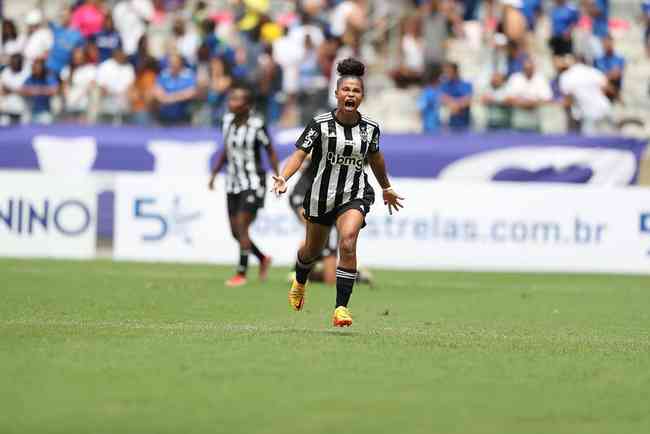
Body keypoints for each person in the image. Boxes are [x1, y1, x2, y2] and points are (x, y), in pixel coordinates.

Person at [271, 58, 404, 327]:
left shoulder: (370, 128)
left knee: (348, 240)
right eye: (346, 90)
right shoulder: (320, 124)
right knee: (311, 251)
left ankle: (341, 308)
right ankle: (300, 280)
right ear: (337, 94)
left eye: (356, 91)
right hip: (321, 196)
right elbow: (299, 154)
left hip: (354, 194)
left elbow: (376, 159)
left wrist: (386, 187)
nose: (350, 95)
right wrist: (284, 177)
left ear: (362, 96)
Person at [208, 84, 279, 287]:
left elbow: (270, 150)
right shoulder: (227, 122)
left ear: (247, 105)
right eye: (231, 99)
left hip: (253, 181)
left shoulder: (257, 125)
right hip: (232, 182)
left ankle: (241, 273)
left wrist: (278, 176)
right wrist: (214, 174)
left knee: (242, 226)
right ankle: (263, 258)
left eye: (237, 99)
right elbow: (227, 150)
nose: (231, 103)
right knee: (235, 232)